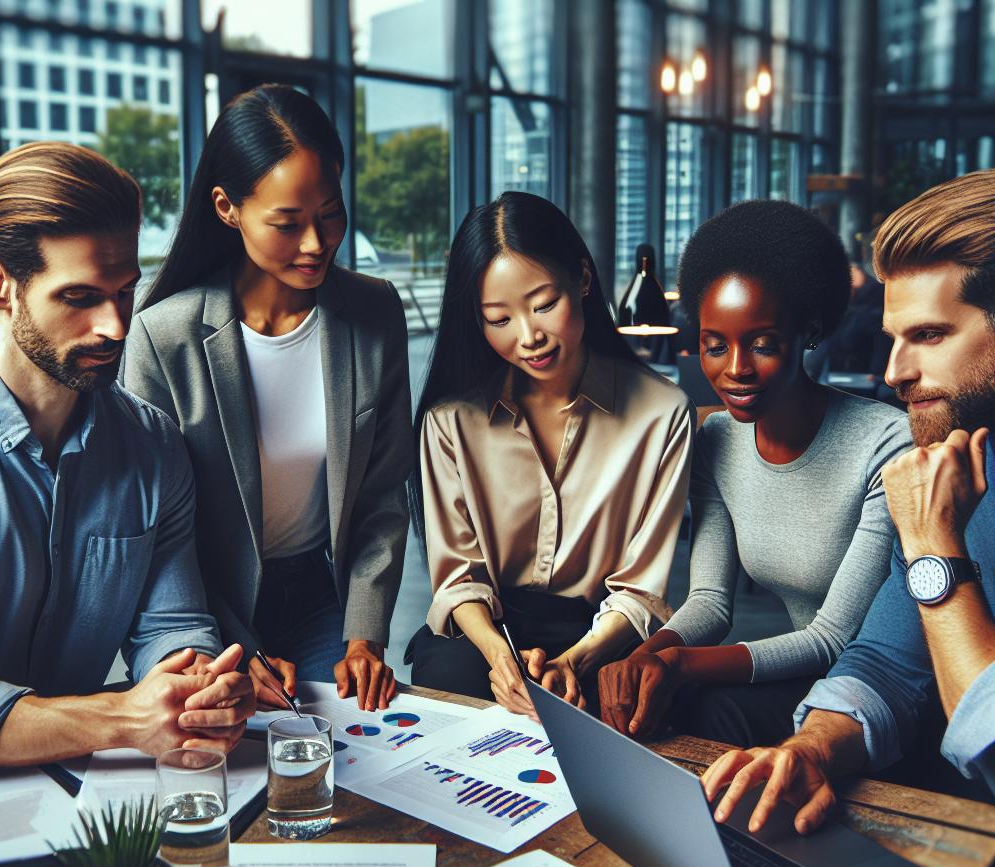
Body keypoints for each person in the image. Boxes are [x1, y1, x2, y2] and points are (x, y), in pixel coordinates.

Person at [704, 170, 995, 837]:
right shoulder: (951, 459)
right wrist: (810, 749)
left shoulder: (928, 494)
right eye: (894, 338)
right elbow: (888, 662)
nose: (894, 372)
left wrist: (933, 545)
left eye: (928, 336)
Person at [123, 84, 413, 713]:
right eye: (287, 224)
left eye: (331, 213)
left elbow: (383, 498)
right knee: (237, 762)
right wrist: (228, 643)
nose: (316, 243)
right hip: (202, 605)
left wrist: (364, 635)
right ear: (227, 208)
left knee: (345, 748)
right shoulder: (164, 336)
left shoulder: (373, 314)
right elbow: (158, 537)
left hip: (318, 598)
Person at [0, 142, 254, 766]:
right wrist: (119, 718)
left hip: (92, 804)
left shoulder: (153, 445)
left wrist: (198, 691)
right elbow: (124, 717)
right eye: (79, 298)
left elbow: (170, 626)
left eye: (125, 291)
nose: (116, 327)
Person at [598, 200, 912, 746]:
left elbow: (833, 638)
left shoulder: (885, 442)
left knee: (699, 703)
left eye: (762, 344)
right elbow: (710, 603)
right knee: (650, 700)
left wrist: (678, 665)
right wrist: (642, 657)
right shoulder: (718, 439)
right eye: (715, 346)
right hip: (808, 677)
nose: (736, 368)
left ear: (807, 333)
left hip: (881, 691)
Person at [407, 191, 694, 717]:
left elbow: (641, 591)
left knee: (626, 701)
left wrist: (576, 661)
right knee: (450, 678)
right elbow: (458, 580)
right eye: (499, 319)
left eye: (543, 305)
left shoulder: (662, 412)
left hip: (602, 628)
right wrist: (503, 659)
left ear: (582, 280)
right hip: (487, 626)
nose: (529, 336)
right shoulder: (449, 420)